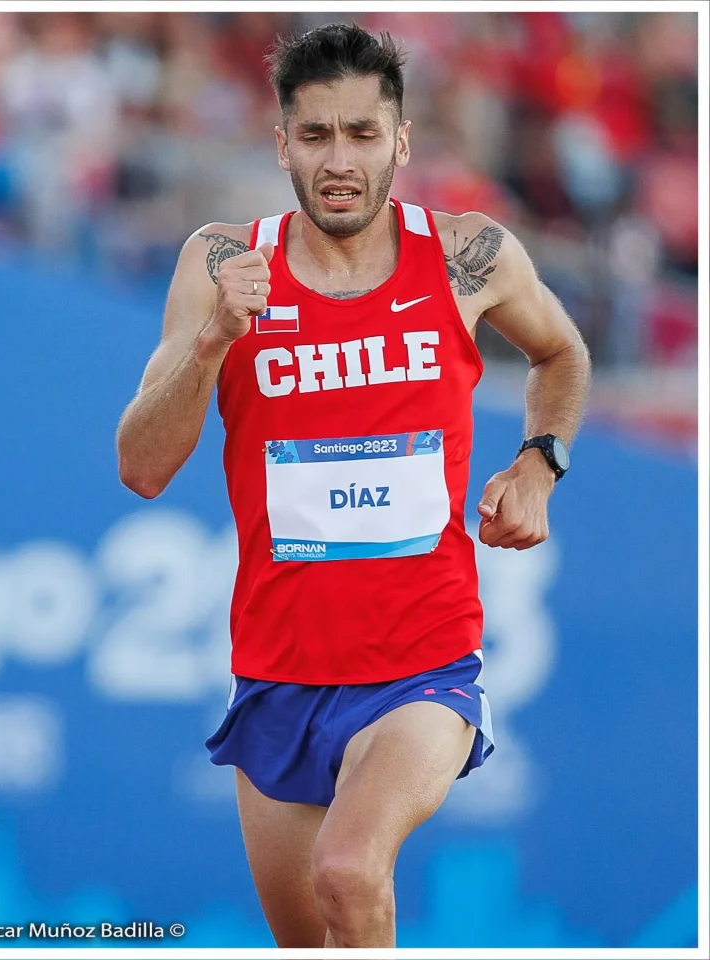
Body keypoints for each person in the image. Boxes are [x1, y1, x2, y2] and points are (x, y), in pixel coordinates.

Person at [116, 22, 591, 949]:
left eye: (363, 135)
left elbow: (562, 353)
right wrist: (215, 340)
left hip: (421, 667)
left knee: (348, 870)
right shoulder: (221, 265)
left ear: (401, 142)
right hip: (278, 672)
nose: (342, 160)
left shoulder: (468, 257)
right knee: (314, 936)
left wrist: (540, 463)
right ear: (283, 142)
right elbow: (140, 465)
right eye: (319, 134)